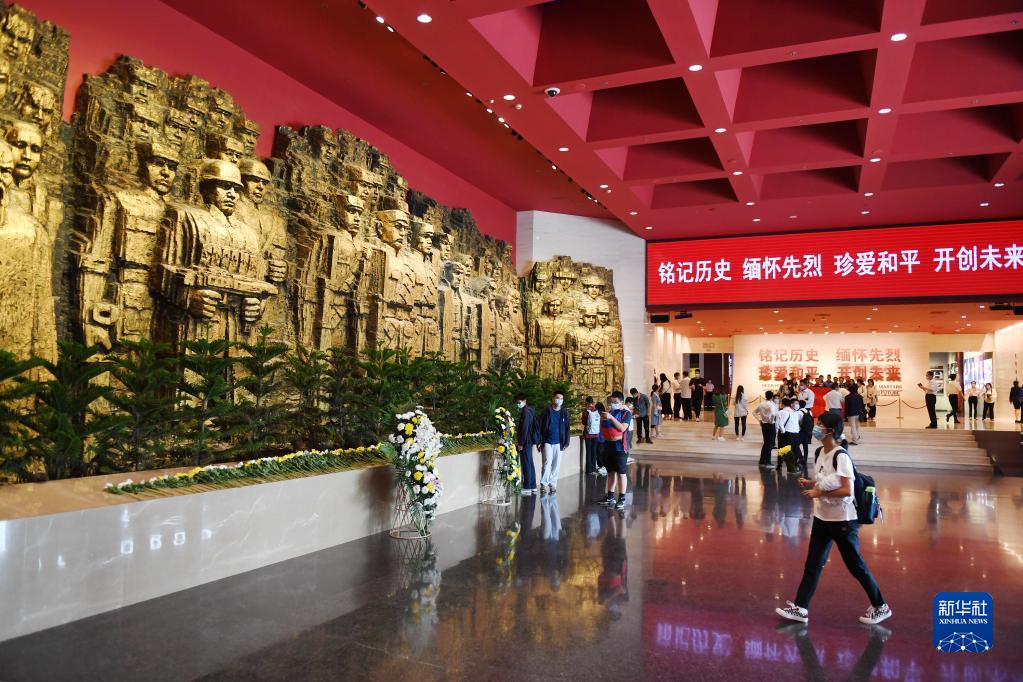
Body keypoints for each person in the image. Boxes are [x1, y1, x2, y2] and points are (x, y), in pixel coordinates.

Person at [776, 411, 892, 626]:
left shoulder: (841, 456)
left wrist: (819, 493)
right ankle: (801, 608)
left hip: (843, 521)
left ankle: (881, 606)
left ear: (829, 431)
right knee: (813, 564)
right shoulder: (820, 451)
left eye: (819, 424)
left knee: (856, 566)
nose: (815, 428)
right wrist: (812, 483)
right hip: (822, 518)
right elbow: (828, 479)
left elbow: (847, 490)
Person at [599, 391, 632, 511]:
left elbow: (622, 428)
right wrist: (602, 419)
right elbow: (603, 428)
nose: (613, 404)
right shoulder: (610, 412)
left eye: (616, 402)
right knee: (610, 472)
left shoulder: (626, 414)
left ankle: (622, 498)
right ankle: (610, 496)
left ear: (621, 402)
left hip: (620, 447)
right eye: (612, 402)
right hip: (608, 446)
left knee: (621, 473)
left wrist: (611, 418)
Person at [538, 390, 571, 495]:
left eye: (561, 398)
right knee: (547, 463)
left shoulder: (564, 412)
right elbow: (539, 426)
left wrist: (566, 442)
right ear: (553, 398)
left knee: (556, 465)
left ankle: (553, 484)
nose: (559, 400)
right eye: (557, 398)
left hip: (559, 442)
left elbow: (567, 428)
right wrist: (539, 441)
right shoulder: (546, 411)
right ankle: (543, 484)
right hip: (547, 441)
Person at [515, 393, 540, 495]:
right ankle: (533, 486)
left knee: (526, 463)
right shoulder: (530, 410)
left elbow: (524, 428)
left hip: (525, 441)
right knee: (530, 462)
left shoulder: (525, 411)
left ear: (524, 401)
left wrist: (521, 443)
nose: (518, 404)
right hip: (529, 440)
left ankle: (527, 487)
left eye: (519, 402)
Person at [754, 390, 778, 469]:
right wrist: (771, 421)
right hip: (770, 425)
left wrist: (760, 420)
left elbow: (754, 413)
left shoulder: (761, 403)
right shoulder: (771, 404)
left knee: (766, 443)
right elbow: (773, 414)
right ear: (772, 397)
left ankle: (762, 461)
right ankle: (767, 462)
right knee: (769, 444)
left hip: (764, 424)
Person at [778, 397, 801, 470]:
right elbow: (781, 423)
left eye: (798, 403)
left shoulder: (796, 413)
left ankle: (794, 465)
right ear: (791, 404)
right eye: (796, 403)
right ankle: (789, 467)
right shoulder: (787, 412)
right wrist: (784, 431)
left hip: (796, 434)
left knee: (795, 450)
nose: (797, 405)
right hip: (789, 434)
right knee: (788, 451)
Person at [581, 396, 600, 476]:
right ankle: (593, 469)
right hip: (596, 434)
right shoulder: (596, 410)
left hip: (588, 434)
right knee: (594, 451)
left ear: (586, 402)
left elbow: (584, 422)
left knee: (588, 452)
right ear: (593, 402)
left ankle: (589, 470)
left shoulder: (586, 411)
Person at [797, 400, 814, 475]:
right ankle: (805, 459)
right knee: (805, 445)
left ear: (799, 405)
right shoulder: (809, 411)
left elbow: (798, 422)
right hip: (807, 431)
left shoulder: (799, 412)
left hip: (800, 431)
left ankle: (801, 458)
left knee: (796, 445)